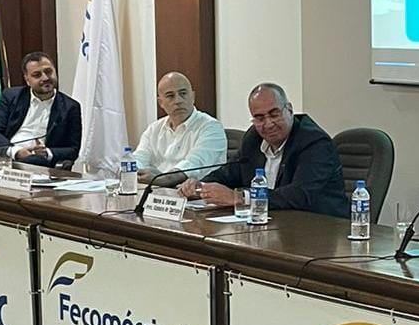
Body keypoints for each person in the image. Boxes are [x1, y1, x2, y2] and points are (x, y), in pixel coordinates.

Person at [177, 82, 348, 218]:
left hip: (320, 227)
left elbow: (299, 195)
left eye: (274, 114)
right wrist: (201, 186)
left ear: (289, 110)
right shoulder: (254, 137)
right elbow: (230, 172)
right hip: (272, 222)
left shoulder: (314, 142)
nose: (268, 124)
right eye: (259, 118)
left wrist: (239, 197)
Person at [0, 52, 82, 167]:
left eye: (48, 72)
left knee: (36, 161)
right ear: (27, 80)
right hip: (10, 158)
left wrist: (47, 152)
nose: (45, 78)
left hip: (42, 164)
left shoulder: (70, 107)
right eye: (37, 75)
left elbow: (73, 149)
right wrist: (16, 151)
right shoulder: (11, 97)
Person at [131, 72, 226, 184]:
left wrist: (161, 179)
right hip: (156, 190)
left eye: (183, 93)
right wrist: (136, 172)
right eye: (170, 96)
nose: (178, 101)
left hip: (193, 193)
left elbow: (194, 164)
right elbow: (139, 159)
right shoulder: (154, 129)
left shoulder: (211, 127)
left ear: (193, 97)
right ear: (161, 102)